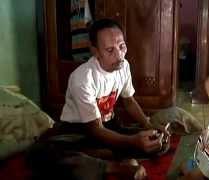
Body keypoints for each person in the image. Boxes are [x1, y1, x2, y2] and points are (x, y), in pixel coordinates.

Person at [26, 18, 168, 180]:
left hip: (110, 127)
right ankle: (113, 167)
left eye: (122, 47)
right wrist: (133, 141)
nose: (119, 55)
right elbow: (95, 129)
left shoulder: (124, 66)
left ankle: (98, 155)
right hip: (79, 132)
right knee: (38, 154)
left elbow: (129, 101)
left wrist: (148, 125)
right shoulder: (83, 78)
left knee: (159, 141)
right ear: (95, 51)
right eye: (110, 50)